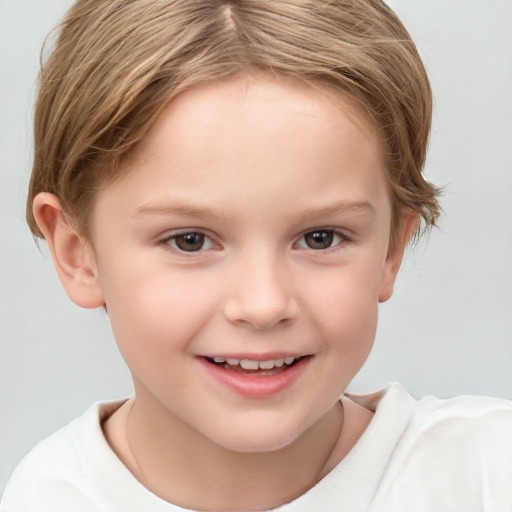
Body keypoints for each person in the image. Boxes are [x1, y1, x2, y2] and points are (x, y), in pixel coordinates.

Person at [2, 0, 511, 510]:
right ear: (77, 253)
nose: (264, 304)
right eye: (190, 240)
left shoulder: (486, 473)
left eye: (320, 238)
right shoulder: (46, 497)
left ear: (391, 250)